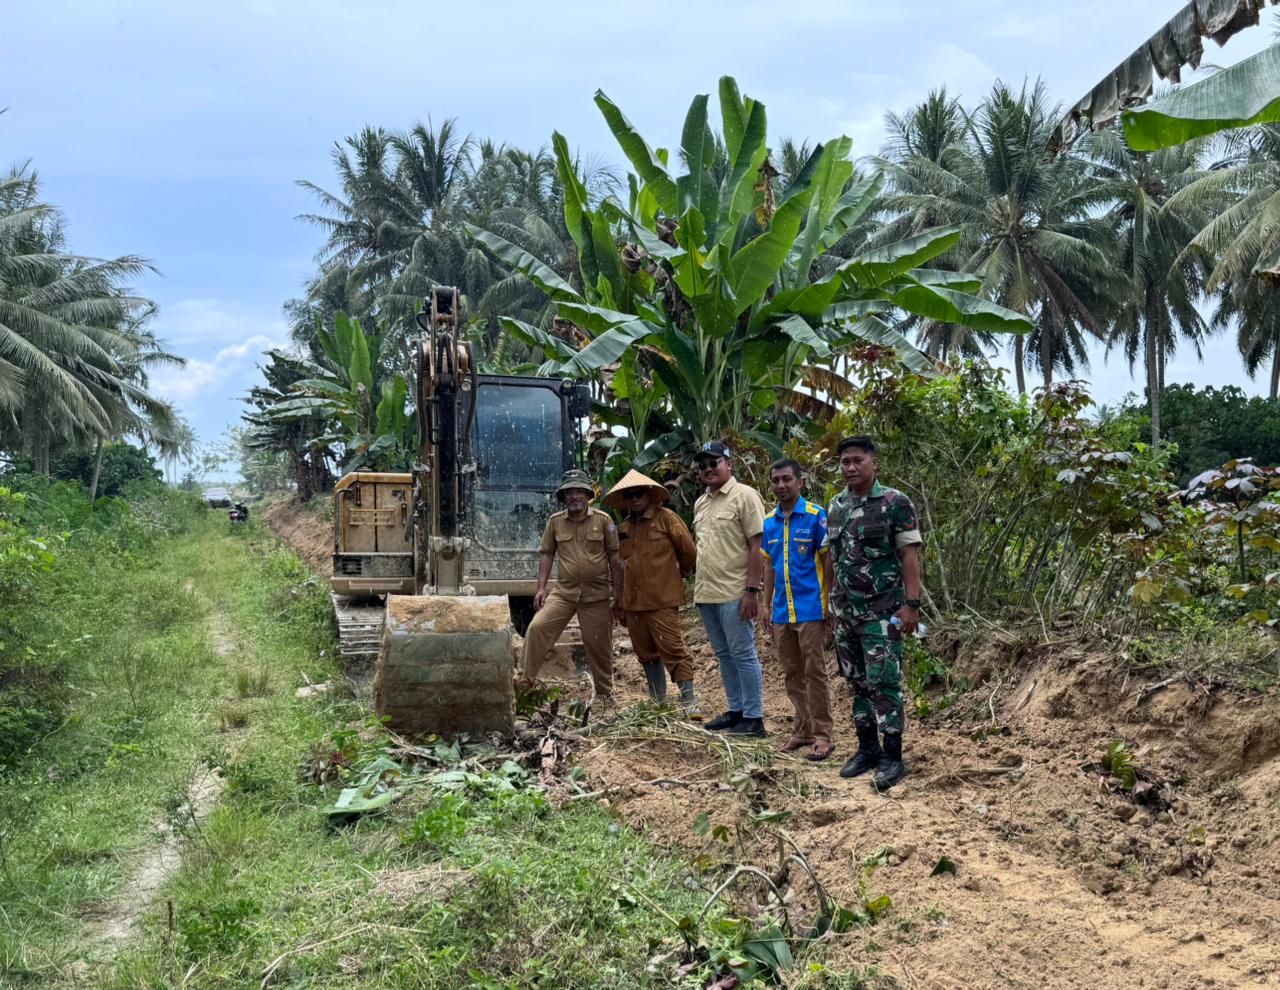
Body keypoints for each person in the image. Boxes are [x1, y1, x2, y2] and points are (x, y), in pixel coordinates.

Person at [823, 436, 923, 790]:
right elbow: (833, 559)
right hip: (845, 612)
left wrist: (911, 606)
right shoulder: (835, 506)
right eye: (845, 461)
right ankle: (867, 748)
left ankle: (892, 757)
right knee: (856, 682)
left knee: (884, 683)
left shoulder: (895, 502)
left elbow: (909, 556)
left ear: (873, 463)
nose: (850, 467)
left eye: (857, 461)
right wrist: (830, 603)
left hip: (883, 610)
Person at [520, 469, 623, 705]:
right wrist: (541, 588)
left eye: (579, 491)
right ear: (564, 496)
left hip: (596, 597)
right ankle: (523, 685)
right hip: (564, 594)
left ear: (588, 495)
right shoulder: (555, 522)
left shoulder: (604, 521)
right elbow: (547, 555)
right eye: (569, 492)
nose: (574, 496)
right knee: (537, 628)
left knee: (599, 646)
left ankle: (606, 698)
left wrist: (618, 594)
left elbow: (614, 559)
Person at [604, 469, 701, 718]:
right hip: (633, 603)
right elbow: (619, 566)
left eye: (638, 494)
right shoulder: (623, 528)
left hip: (662, 599)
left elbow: (689, 552)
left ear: (649, 495)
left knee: (672, 649)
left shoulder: (666, 519)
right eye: (630, 495)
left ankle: (689, 701)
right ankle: (658, 702)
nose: (634, 499)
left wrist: (675, 574)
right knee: (645, 653)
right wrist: (619, 601)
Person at [760, 459, 835, 761]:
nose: (781, 485)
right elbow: (769, 565)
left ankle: (822, 735)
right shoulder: (769, 523)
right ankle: (801, 729)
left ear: (800, 482)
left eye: (787, 479)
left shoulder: (817, 517)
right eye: (776, 480)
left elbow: (828, 560)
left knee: (814, 672)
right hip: (781, 612)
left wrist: (829, 602)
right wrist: (765, 606)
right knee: (792, 673)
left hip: (810, 609)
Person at [691, 441, 767, 737]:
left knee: (743, 653)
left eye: (714, 463)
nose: (708, 469)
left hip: (735, 592)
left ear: (729, 464)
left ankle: (754, 717)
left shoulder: (745, 496)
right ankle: (736, 710)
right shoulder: (701, 503)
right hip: (707, 593)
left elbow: (757, 545)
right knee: (724, 655)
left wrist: (751, 590)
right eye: (703, 465)